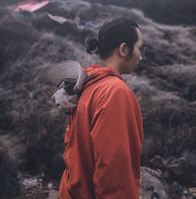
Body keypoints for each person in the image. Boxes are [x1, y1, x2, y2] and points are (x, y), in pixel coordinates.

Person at [54, 18, 144, 199]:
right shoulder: (116, 93)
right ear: (124, 49)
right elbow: (114, 173)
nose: (141, 56)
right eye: (139, 48)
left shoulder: (88, 84)